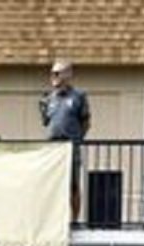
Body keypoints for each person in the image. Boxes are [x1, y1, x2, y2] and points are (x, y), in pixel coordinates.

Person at [40, 60, 92, 225]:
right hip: (53, 147)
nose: (53, 77)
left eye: (57, 73)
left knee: (72, 185)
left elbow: (86, 122)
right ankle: (55, 220)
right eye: (52, 73)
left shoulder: (79, 96)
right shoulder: (49, 98)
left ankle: (74, 220)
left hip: (70, 146)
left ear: (68, 74)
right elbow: (46, 122)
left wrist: (77, 139)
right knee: (53, 184)